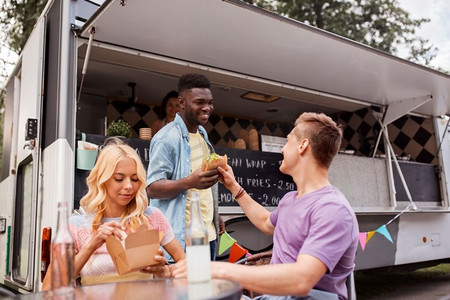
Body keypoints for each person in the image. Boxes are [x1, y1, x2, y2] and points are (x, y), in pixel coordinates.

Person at [174, 112, 359, 300]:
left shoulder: (333, 209)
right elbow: (265, 222)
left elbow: (302, 280)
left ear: (302, 146)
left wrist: (216, 269)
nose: (282, 150)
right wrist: (233, 186)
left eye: (287, 142)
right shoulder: (290, 199)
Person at [43, 141, 184, 289]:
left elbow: (183, 263)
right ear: (102, 180)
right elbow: (49, 287)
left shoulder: (152, 217)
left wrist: (165, 271)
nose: (129, 186)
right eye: (119, 178)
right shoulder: (77, 226)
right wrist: (92, 244)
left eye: (135, 179)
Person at [146, 73, 224, 261]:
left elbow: (202, 188)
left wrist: (215, 215)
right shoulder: (166, 139)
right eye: (200, 102)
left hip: (208, 235)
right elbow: (152, 188)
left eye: (210, 102)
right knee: (182, 291)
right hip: (181, 241)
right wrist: (189, 182)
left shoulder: (203, 134)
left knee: (205, 290)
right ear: (181, 103)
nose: (207, 108)